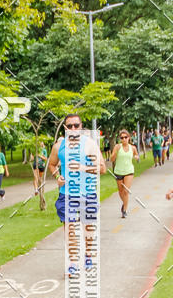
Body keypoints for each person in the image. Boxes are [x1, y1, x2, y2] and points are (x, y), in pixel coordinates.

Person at [47, 113, 106, 276]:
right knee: (70, 229)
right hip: (67, 195)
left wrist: (81, 167)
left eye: (76, 125)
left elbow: (102, 169)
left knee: (88, 230)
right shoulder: (59, 146)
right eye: (70, 126)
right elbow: (52, 165)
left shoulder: (90, 145)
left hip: (87, 194)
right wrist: (57, 176)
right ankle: (73, 263)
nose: (73, 129)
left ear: (81, 127)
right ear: (65, 128)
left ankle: (88, 256)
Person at [111, 129, 139, 218]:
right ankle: (124, 203)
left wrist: (136, 157)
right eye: (122, 138)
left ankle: (125, 210)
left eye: (125, 137)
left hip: (129, 171)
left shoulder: (133, 148)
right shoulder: (117, 147)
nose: (123, 139)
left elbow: (137, 156)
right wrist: (115, 153)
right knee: (121, 191)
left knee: (126, 191)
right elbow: (112, 159)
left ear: (129, 138)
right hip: (118, 171)